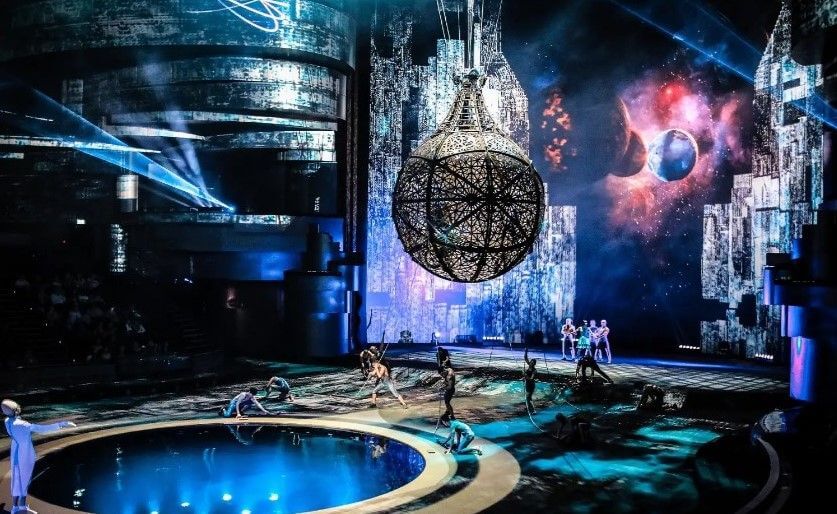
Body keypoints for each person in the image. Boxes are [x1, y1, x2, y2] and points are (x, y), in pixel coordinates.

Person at [3, 399, 76, 514]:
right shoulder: (23, 424)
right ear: (16, 410)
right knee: (25, 480)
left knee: (16, 480)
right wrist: (62, 424)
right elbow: (42, 429)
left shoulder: (7, 421)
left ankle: (15, 507)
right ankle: (21, 507)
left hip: (15, 452)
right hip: (24, 454)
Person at [523, 347, 537, 413]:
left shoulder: (534, 371)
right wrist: (526, 351)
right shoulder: (529, 366)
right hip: (527, 384)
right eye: (531, 362)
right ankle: (529, 408)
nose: (531, 363)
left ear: (534, 364)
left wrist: (525, 375)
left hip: (531, 385)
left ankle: (533, 410)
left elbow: (531, 379)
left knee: (528, 397)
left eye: (532, 363)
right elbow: (525, 358)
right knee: (528, 397)